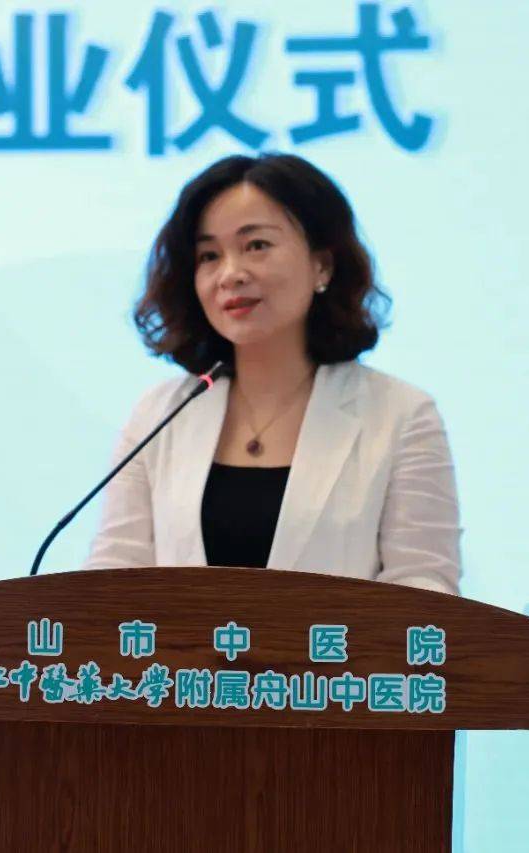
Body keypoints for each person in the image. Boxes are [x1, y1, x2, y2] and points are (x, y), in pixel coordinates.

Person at [80, 153, 462, 596]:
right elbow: (112, 577)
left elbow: (425, 588)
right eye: (209, 255)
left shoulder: (401, 415)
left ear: (322, 264)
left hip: (339, 645)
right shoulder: (160, 414)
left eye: (256, 245)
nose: (230, 274)